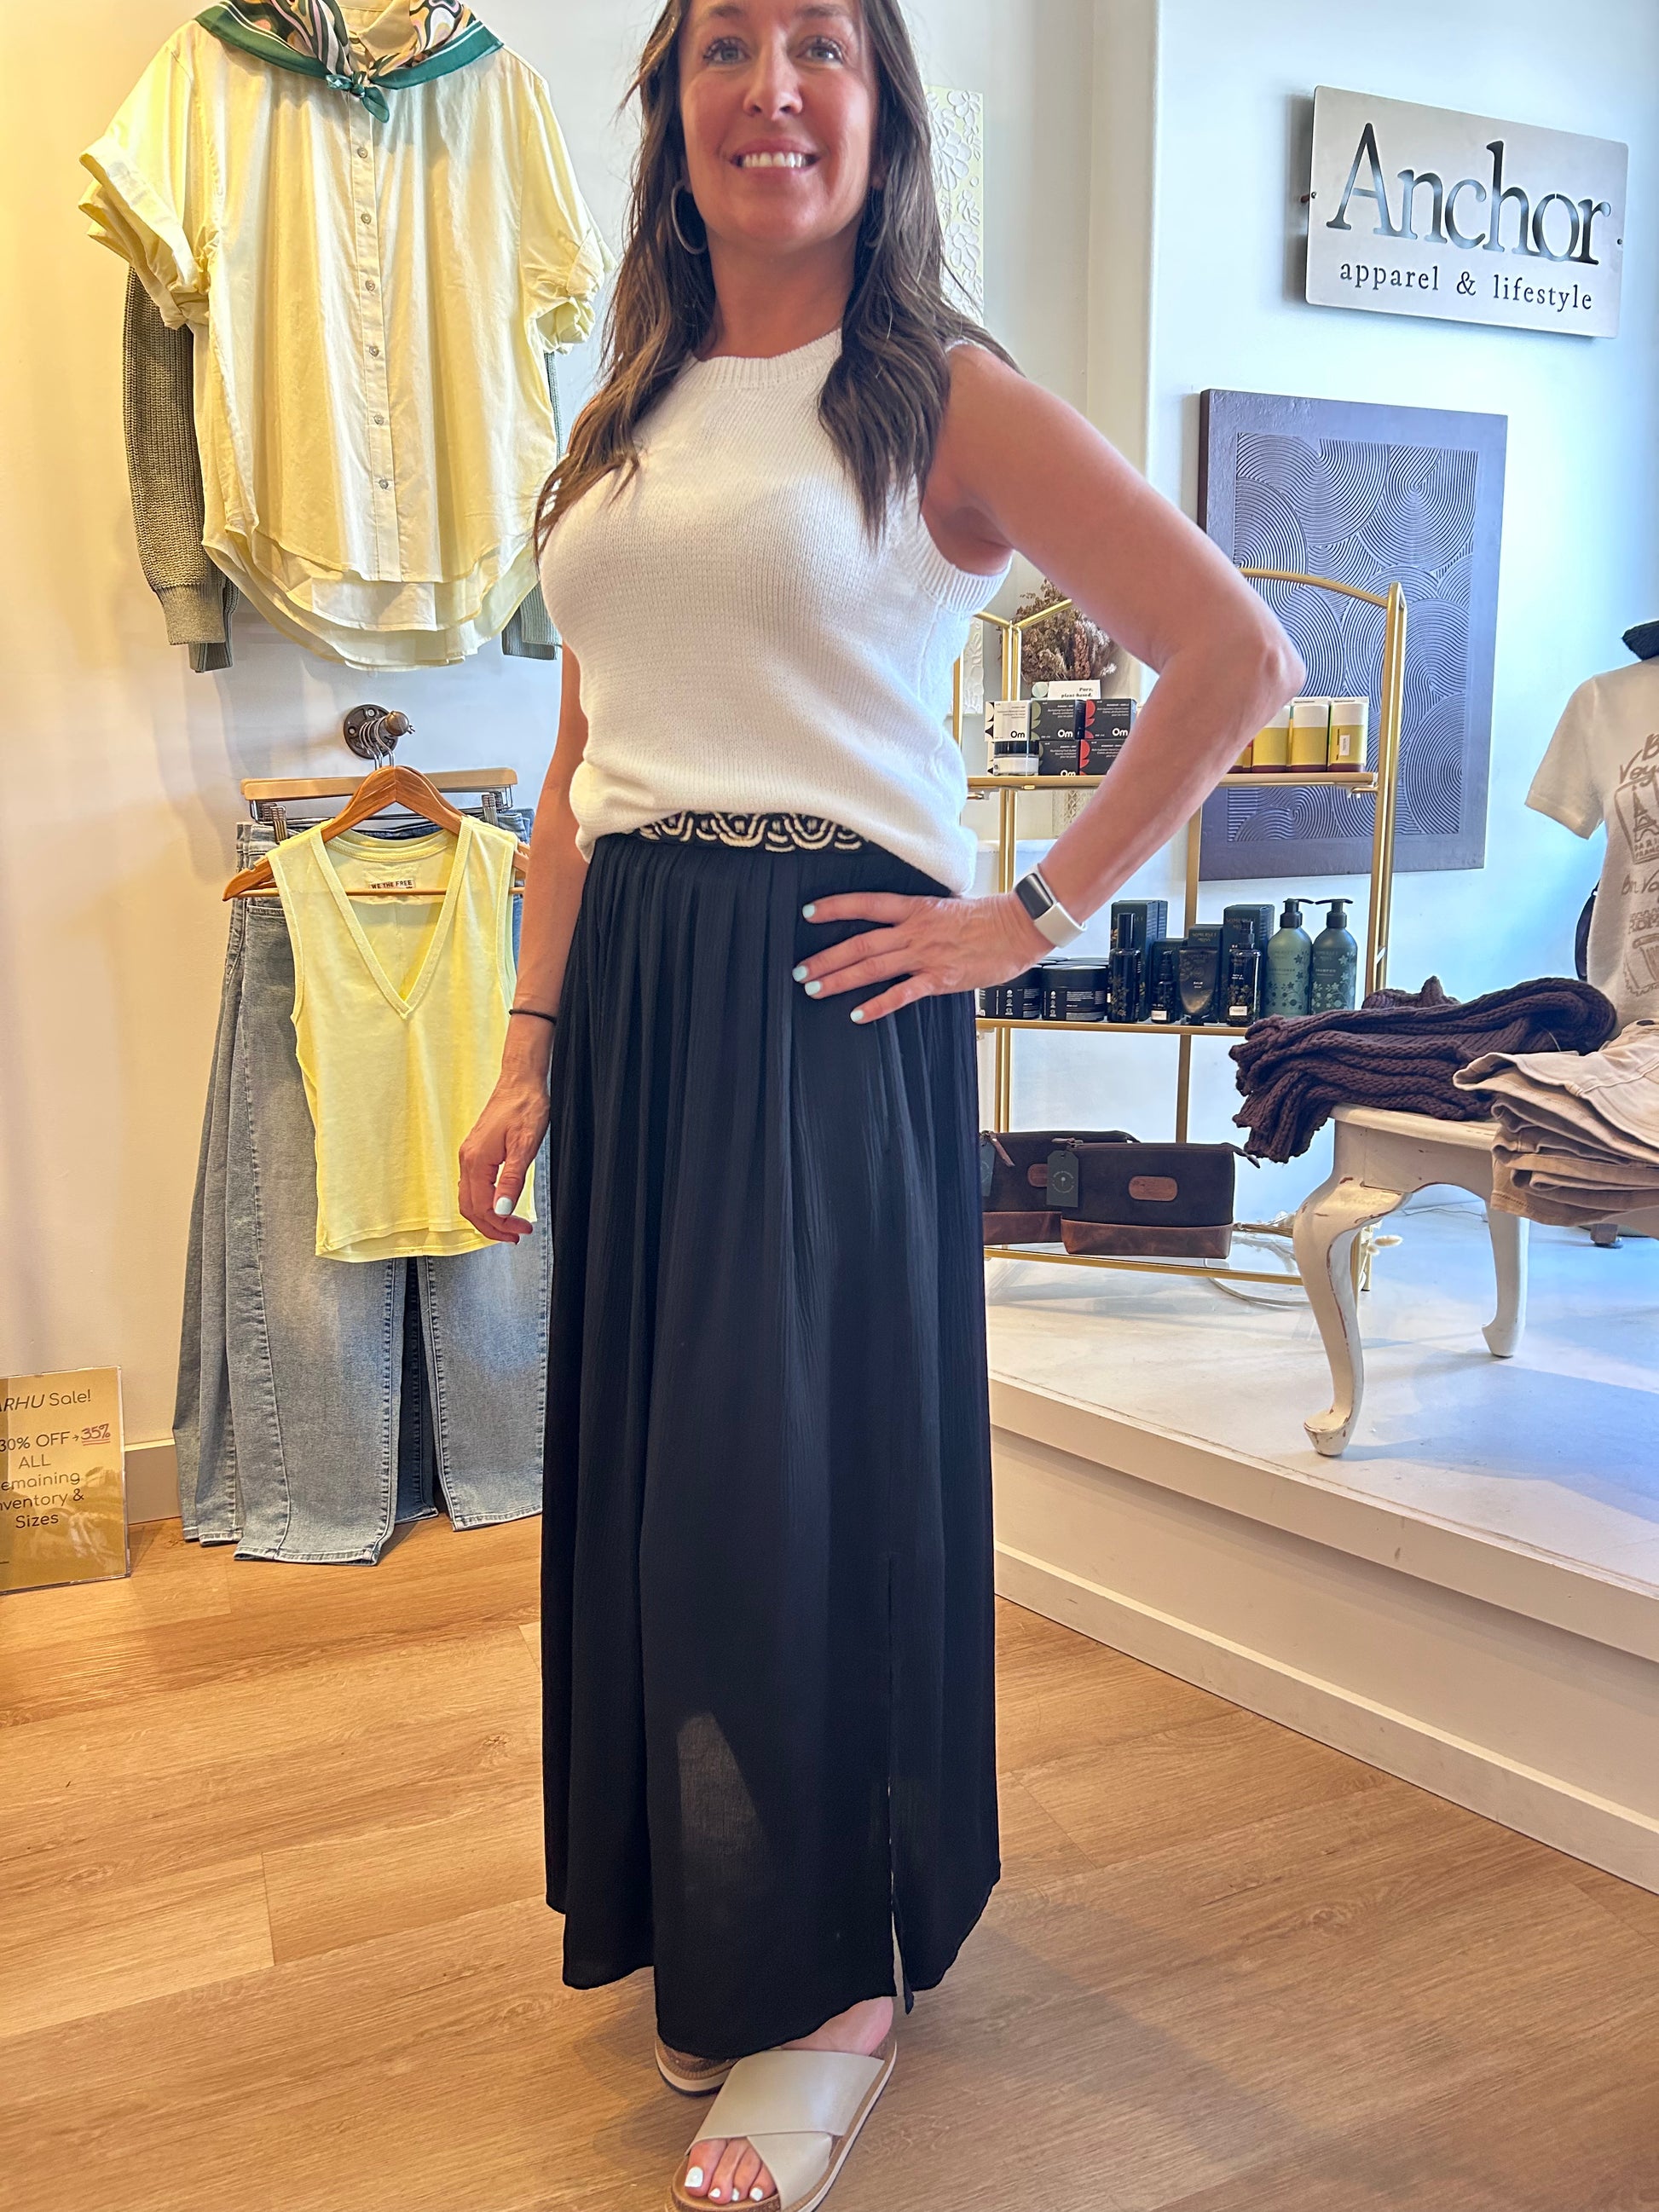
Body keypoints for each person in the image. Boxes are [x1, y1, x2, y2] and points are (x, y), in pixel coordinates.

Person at [457, 3, 1302, 2205]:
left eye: (819, 45)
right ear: (672, 109)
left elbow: (1234, 656)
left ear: (880, 105)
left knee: (788, 1484)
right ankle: (712, 1902)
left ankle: (831, 1972)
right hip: (643, 985)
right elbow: (579, 765)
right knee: (660, 1479)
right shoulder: (630, 406)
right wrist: (530, 1041)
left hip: (826, 991)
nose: (772, 89)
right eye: (724, 46)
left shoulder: (937, 394)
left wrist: (1030, 912)